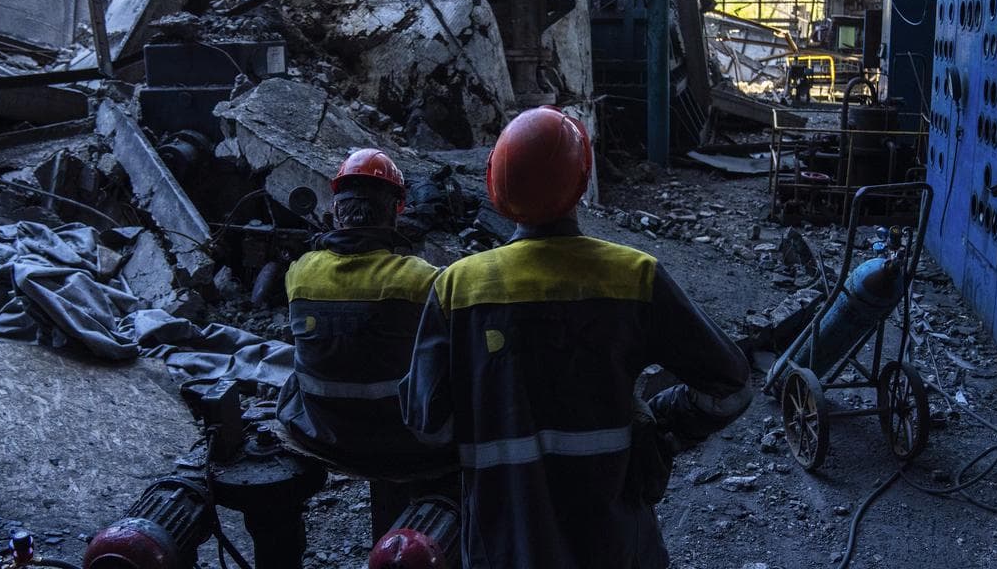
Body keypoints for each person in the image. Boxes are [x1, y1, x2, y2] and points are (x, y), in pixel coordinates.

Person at [401, 107, 753, 569]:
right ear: (582, 182)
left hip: (502, 544)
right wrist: (663, 423)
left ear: (495, 185)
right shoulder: (635, 276)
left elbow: (428, 425)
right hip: (614, 543)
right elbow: (731, 387)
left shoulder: (456, 288)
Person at [275, 148, 456, 536]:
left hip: (320, 431)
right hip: (402, 440)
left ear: (336, 211)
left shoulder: (299, 273)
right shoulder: (423, 279)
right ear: (396, 210)